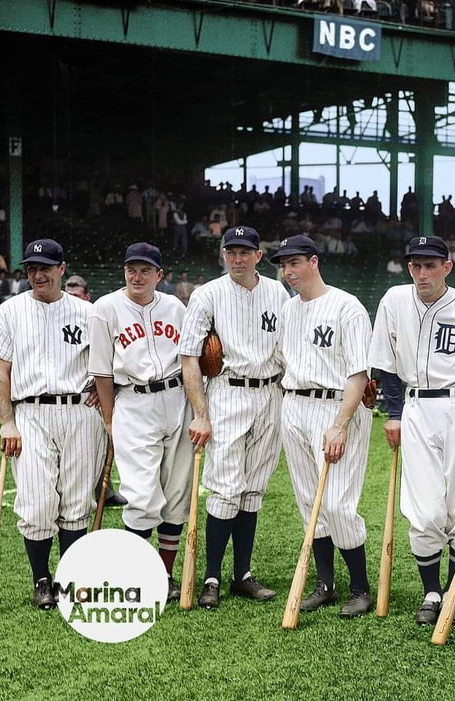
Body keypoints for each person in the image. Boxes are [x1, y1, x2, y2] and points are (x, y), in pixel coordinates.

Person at [368, 236, 455, 625]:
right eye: (416, 265)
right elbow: (385, 363)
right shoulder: (393, 300)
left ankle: (454, 590)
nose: (422, 273)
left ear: (447, 267)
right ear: (409, 268)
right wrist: (394, 413)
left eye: (430, 265)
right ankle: (431, 592)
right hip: (416, 407)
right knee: (423, 510)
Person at [179, 226, 289, 609]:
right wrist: (200, 414)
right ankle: (211, 576)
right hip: (228, 391)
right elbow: (190, 357)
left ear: (259, 255)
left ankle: (241, 574)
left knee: (253, 487)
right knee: (226, 488)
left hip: (270, 391)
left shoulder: (277, 292)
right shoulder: (207, 294)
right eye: (231, 251)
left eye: (245, 252)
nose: (237, 258)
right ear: (223, 254)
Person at [0, 238, 107, 609]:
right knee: (37, 502)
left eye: (45, 268)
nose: (37, 274)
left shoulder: (87, 312)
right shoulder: (9, 311)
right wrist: (7, 422)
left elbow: (108, 363)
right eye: (31, 268)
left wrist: (104, 391)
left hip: (79, 411)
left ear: (62, 269)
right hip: (30, 412)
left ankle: (71, 579)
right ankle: (42, 580)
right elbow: (1, 371)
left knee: (77, 501)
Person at [269, 235, 374, 619]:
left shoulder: (347, 306)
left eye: (295, 262)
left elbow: (359, 373)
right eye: (283, 265)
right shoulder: (287, 309)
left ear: (314, 262)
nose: (288, 271)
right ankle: (326, 585)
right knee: (309, 502)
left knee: (337, 504)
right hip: (294, 403)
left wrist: (341, 424)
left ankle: (360, 588)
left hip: (334, 406)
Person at [88, 242, 194, 603]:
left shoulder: (176, 307)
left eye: (145, 270)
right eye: (131, 269)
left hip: (178, 399)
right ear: (124, 272)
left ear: (159, 275)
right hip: (133, 402)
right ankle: (137, 575)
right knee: (143, 496)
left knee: (177, 494)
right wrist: (108, 419)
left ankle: (164, 575)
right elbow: (102, 371)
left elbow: (191, 359)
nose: (137, 276)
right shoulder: (105, 308)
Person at [64, 274, 127, 508]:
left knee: (100, 441)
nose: (73, 300)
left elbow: (118, 355)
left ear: (87, 296)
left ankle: (105, 489)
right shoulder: (58, 315)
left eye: (77, 296)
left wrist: (107, 386)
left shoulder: (96, 315)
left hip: (96, 392)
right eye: (69, 295)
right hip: (68, 395)